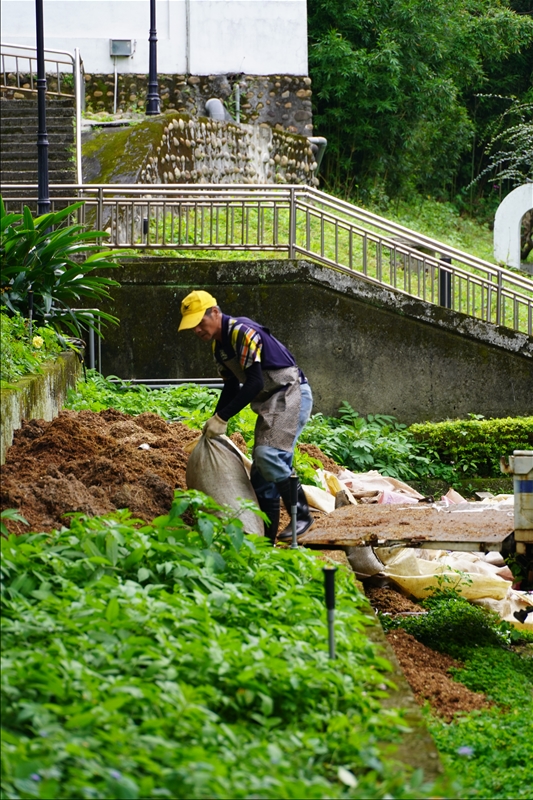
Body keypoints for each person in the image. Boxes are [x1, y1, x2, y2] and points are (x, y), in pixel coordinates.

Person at [178, 290, 314, 543]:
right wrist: (215, 418)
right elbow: (231, 387)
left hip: (290, 393)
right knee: (261, 478)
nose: (197, 330)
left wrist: (223, 418)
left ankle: (303, 516)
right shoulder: (219, 348)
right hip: (270, 402)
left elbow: (253, 383)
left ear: (215, 313)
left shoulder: (242, 331)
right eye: (192, 326)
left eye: (200, 322)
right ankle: (266, 543)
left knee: (268, 456)